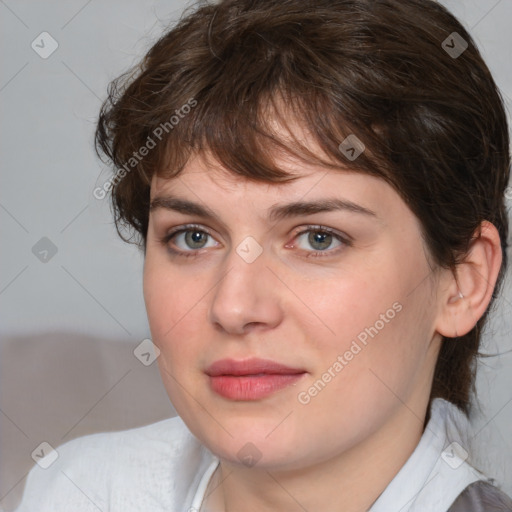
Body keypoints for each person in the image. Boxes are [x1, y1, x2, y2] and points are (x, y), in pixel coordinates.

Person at [15, 0, 512, 510]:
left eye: (319, 238)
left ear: (462, 282)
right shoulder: (76, 491)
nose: (233, 307)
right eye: (193, 237)